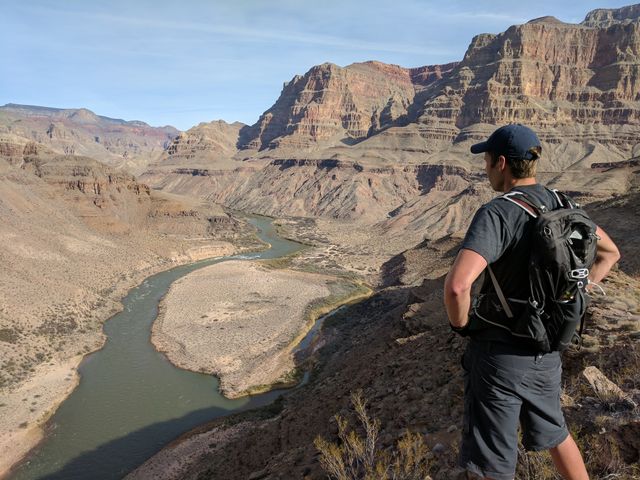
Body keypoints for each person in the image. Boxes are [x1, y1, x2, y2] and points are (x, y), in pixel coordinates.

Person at [443, 124, 620, 480]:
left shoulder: (498, 213)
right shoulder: (563, 204)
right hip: (548, 350)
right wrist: (577, 291)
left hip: (499, 359)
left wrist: (461, 325)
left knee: (491, 461)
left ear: (502, 163)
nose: (486, 168)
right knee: (557, 434)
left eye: (488, 160)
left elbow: (458, 287)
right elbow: (610, 253)